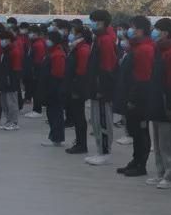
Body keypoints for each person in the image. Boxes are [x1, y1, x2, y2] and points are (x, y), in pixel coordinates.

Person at [140, 18, 171, 188]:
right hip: (156, 100)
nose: (154, 32)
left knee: (168, 143)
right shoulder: (159, 49)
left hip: (166, 103)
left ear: (165, 32)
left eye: (157, 29)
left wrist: (170, 105)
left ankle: (170, 175)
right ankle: (160, 172)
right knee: (158, 142)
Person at [118, 17, 155, 177]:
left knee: (141, 132)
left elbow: (143, 77)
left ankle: (141, 164)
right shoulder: (136, 47)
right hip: (131, 95)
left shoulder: (144, 49)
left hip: (140, 98)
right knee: (134, 130)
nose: (129, 31)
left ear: (140, 30)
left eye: (132, 27)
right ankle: (135, 160)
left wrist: (133, 98)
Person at [86, 10, 116, 166]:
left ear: (101, 22)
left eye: (94, 21)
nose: (92, 24)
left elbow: (107, 67)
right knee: (96, 120)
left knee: (103, 120)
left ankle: (105, 151)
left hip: (102, 88)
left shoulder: (106, 40)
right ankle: (100, 150)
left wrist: (101, 89)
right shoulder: (98, 38)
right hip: (95, 86)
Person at [64, 27, 92, 155]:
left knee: (79, 116)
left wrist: (77, 89)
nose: (71, 35)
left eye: (73, 32)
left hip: (78, 88)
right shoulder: (77, 47)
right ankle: (79, 142)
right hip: (74, 86)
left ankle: (81, 144)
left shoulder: (83, 49)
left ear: (79, 35)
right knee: (77, 116)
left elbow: (82, 71)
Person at [41, 27, 67, 147]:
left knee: (56, 113)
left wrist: (51, 88)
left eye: (48, 39)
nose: (46, 41)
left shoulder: (58, 54)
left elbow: (58, 74)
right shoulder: (52, 52)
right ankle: (54, 136)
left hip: (55, 88)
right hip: (50, 86)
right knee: (51, 113)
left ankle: (57, 138)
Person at [0, 29, 22, 131]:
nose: (1, 41)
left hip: (11, 79)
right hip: (4, 79)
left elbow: (16, 68)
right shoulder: (5, 51)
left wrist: (12, 80)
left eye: (2, 39)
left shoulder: (14, 51)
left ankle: (14, 122)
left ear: (8, 39)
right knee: (4, 102)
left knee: (12, 102)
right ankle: (8, 120)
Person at [24, 24, 47, 118]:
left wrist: (34, 71)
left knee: (36, 90)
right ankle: (37, 107)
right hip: (34, 69)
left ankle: (37, 110)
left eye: (31, 33)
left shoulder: (38, 44)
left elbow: (39, 60)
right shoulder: (34, 43)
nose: (29, 34)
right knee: (35, 89)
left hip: (37, 70)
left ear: (36, 33)